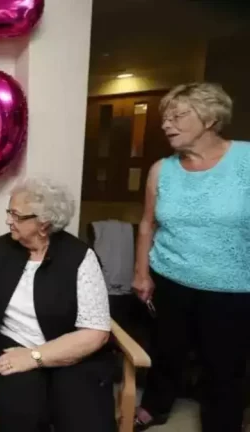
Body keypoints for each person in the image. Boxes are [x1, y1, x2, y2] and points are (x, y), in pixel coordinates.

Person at [132, 83, 250, 432]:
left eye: (178, 116)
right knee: (166, 351)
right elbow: (146, 224)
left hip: (232, 287)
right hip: (170, 276)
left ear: (211, 117)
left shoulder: (246, 159)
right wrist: (141, 274)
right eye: (165, 118)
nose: (167, 124)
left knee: (224, 364)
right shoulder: (161, 169)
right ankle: (155, 404)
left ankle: (222, 423)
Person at [0, 178, 115, 432]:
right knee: (22, 417)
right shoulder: (2, 247)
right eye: (9, 212)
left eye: (16, 215)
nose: (8, 220)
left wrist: (34, 357)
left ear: (43, 224)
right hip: (12, 346)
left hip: (70, 352)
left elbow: (95, 333)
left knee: (83, 419)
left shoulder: (80, 258)